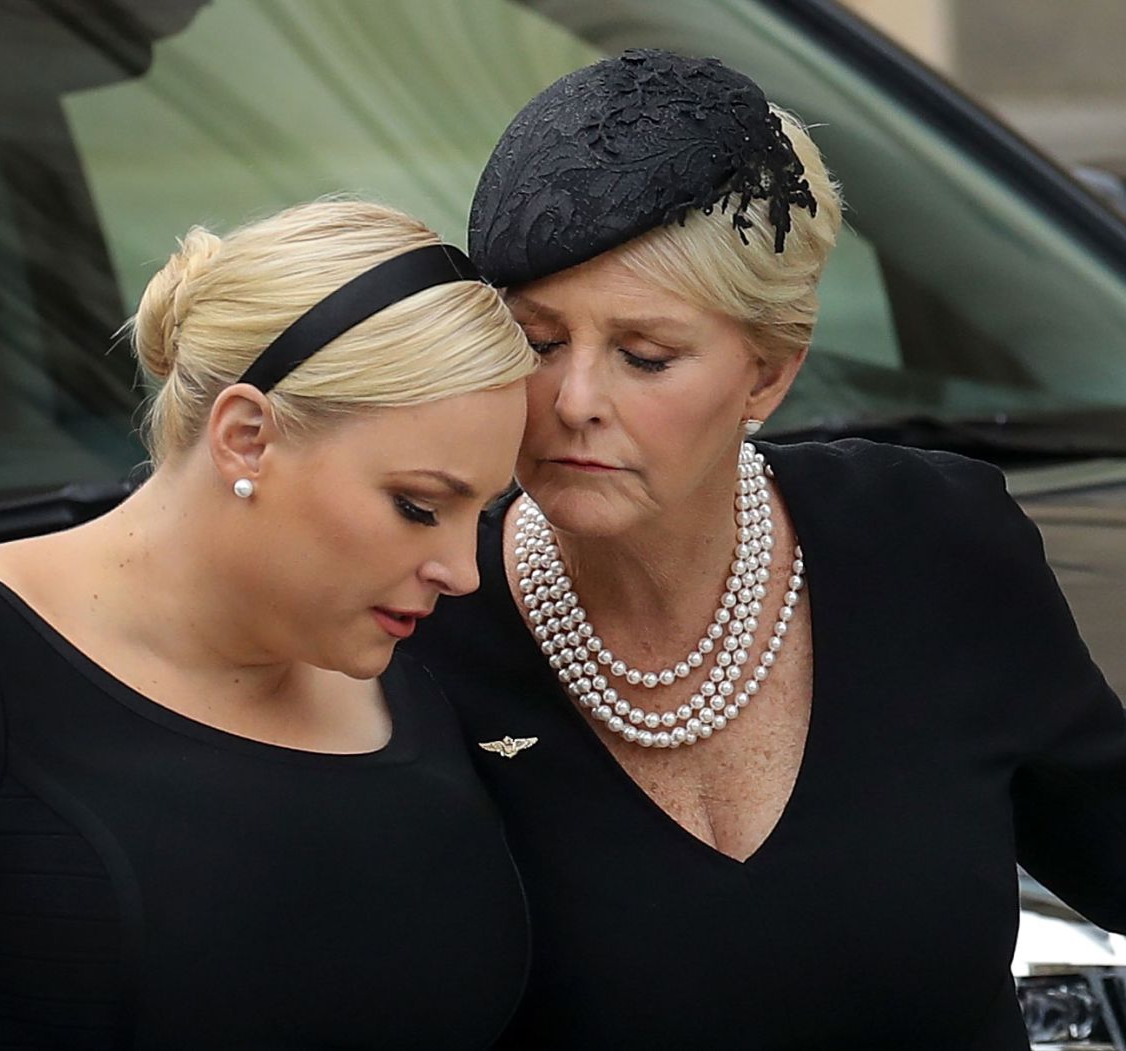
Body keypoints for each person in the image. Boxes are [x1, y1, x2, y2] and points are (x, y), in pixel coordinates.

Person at [404, 49, 1126, 1049]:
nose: (573, 401)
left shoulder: (933, 545)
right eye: (534, 342)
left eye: (645, 356)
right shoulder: (413, 617)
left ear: (768, 376)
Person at [0, 199, 538, 1048]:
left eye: (484, 513)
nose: (461, 571)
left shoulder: (418, 663)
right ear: (245, 437)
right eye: (419, 507)